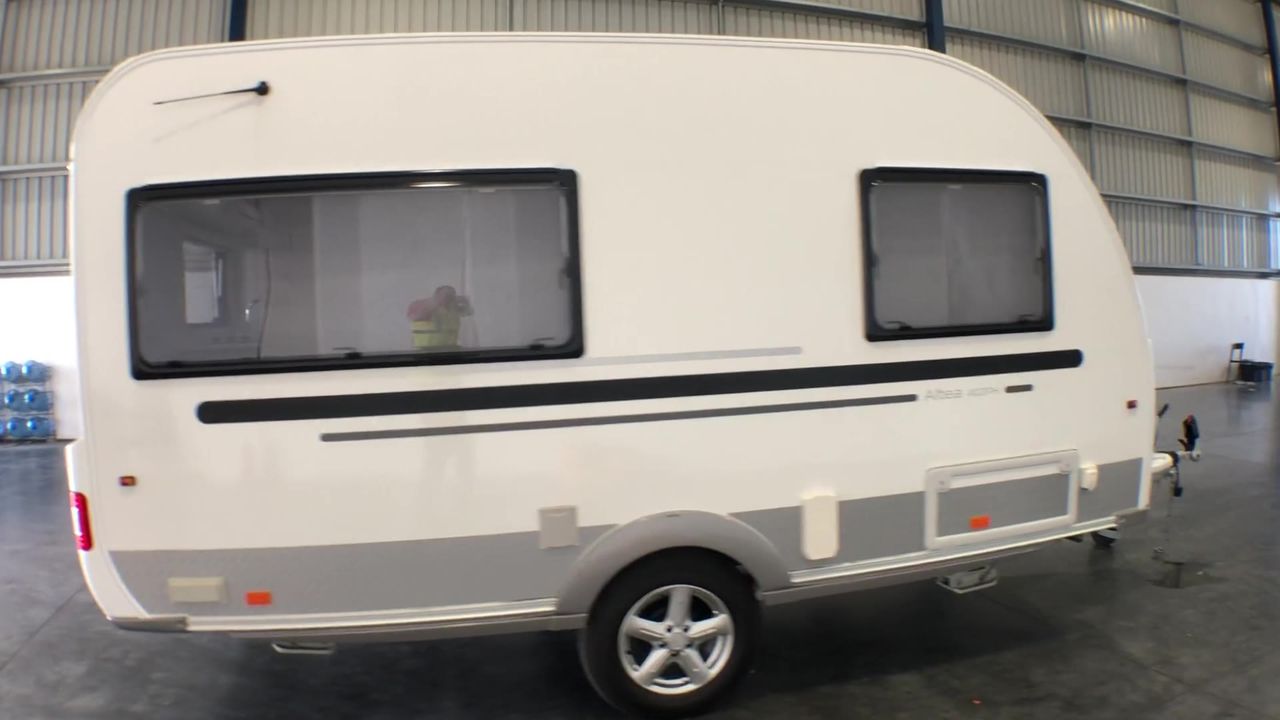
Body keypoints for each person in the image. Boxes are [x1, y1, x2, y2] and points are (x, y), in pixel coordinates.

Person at [407, 285, 472, 349]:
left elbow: (469, 312)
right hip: (425, 350)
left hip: (450, 349)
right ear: (436, 296)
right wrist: (436, 302)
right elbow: (413, 316)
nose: (447, 298)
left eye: (451, 296)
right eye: (445, 295)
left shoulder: (453, 308)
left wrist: (465, 301)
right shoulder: (424, 307)